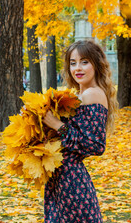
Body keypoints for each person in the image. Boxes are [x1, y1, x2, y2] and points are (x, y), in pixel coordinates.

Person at [43, 40, 118, 223]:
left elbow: (95, 145)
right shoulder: (79, 95)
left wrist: (56, 124)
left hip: (72, 182)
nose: (78, 67)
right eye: (73, 62)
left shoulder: (92, 94)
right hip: (62, 179)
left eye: (85, 61)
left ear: (96, 63)